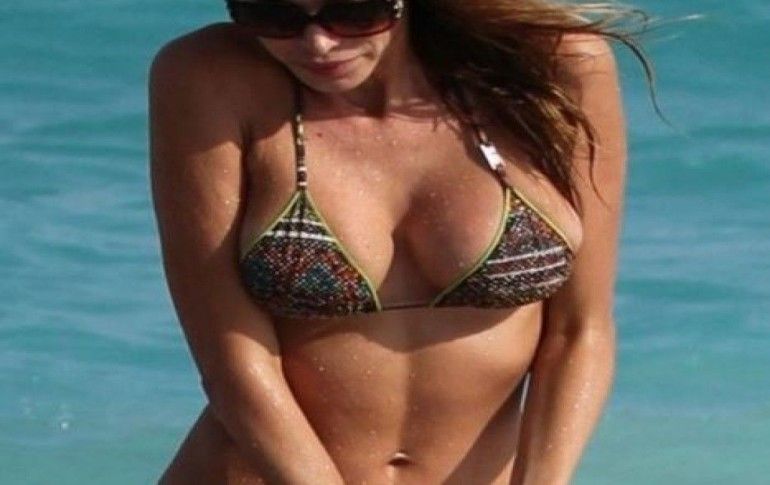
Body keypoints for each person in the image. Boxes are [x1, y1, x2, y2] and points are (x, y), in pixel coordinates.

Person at [149, 0, 643, 482]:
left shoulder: (559, 65)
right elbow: (231, 359)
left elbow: (579, 332)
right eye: (273, 14)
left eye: (353, 12)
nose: (318, 43)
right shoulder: (210, 77)